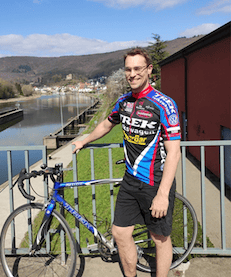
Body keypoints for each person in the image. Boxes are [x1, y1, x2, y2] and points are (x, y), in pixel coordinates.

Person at [72, 47, 181, 277]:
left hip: (156, 182)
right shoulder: (123, 102)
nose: (132, 74)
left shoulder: (164, 104)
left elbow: (174, 153)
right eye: (128, 69)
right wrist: (84, 140)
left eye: (137, 68)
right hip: (130, 182)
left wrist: (162, 194)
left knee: (159, 238)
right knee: (120, 234)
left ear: (149, 70)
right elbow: (106, 125)